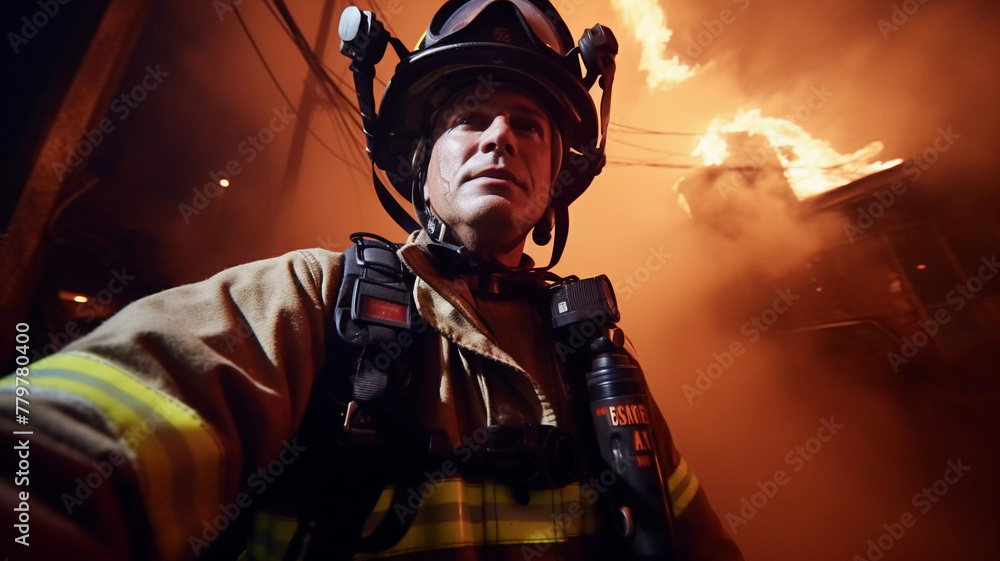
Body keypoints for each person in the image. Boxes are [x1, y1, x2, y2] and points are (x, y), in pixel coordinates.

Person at [0, 1, 743, 560]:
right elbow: (53, 445)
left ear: (556, 179)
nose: (500, 137)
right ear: (422, 165)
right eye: (470, 117)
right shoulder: (310, 303)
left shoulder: (598, 359)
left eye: (529, 125)